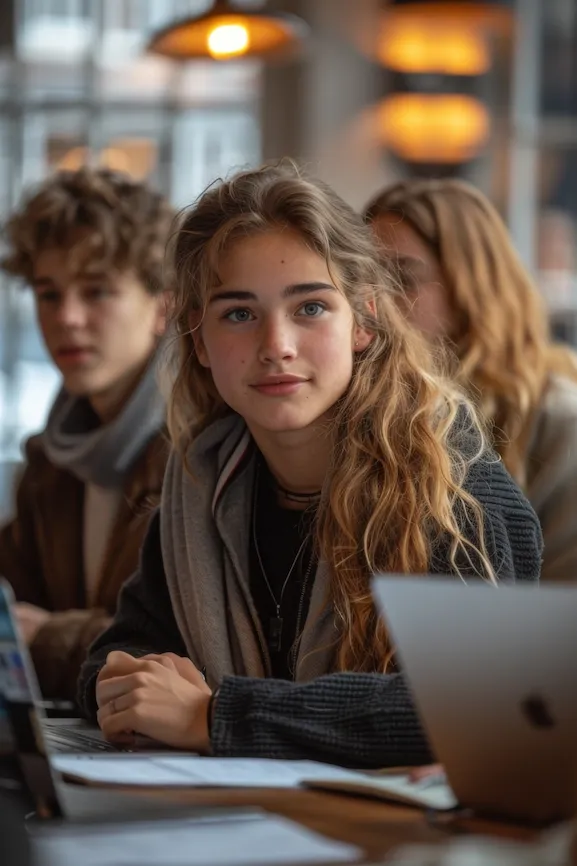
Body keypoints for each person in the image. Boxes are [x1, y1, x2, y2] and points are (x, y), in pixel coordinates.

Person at [77, 162, 541, 768]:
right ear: (198, 339)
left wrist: (213, 717)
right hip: (227, 808)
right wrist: (125, 684)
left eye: (311, 308)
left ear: (364, 320)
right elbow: (123, 648)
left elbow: (479, 706)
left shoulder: (458, 487)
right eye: (238, 314)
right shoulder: (201, 481)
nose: (277, 346)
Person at [0, 168, 173, 700]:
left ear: (163, 307)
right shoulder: (50, 461)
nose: (67, 318)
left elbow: (183, 646)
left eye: (96, 291)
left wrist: (47, 638)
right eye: (48, 295)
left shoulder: (202, 454)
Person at [365, 178, 577, 584]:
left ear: (472, 286)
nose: (375, 304)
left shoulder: (559, 419)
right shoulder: (369, 410)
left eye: (402, 278)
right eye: (364, 280)